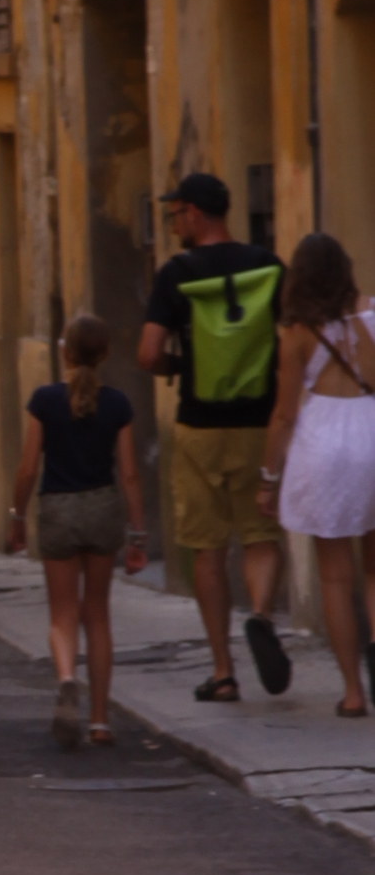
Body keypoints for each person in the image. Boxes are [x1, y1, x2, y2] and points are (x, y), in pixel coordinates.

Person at [139, 170, 289, 700]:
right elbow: (292, 342)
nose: (174, 222)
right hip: (258, 423)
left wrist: (180, 365)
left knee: (206, 548)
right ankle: (264, 616)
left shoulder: (176, 273)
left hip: (199, 426)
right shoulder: (268, 266)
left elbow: (148, 353)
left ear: (195, 214)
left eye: (176, 213)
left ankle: (223, 671)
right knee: (261, 534)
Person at [4, 312, 147, 746]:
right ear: (104, 354)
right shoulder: (118, 404)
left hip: (59, 510)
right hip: (102, 506)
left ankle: (67, 677)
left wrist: (16, 515)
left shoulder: (44, 401)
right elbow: (128, 475)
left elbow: (29, 467)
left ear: (63, 351)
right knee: (98, 615)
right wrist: (136, 533)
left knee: (63, 614)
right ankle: (101, 721)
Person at [259, 230, 375, 715]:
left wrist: (269, 477)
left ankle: (352, 691)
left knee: (334, 576)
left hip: (325, 441)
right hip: (371, 429)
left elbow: (285, 414)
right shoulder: (372, 312)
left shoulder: (297, 333)